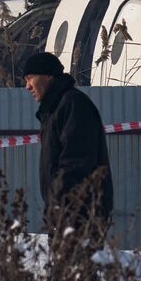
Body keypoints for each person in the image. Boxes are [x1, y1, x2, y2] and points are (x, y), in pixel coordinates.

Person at [23, 51, 113, 236]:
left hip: (80, 217)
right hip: (65, 215)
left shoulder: (73, 105)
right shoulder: (54, 109)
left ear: (48, 76)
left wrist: (58, 206)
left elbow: (75, 164)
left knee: (76, 264)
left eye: (30, 78)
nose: (27, 86)